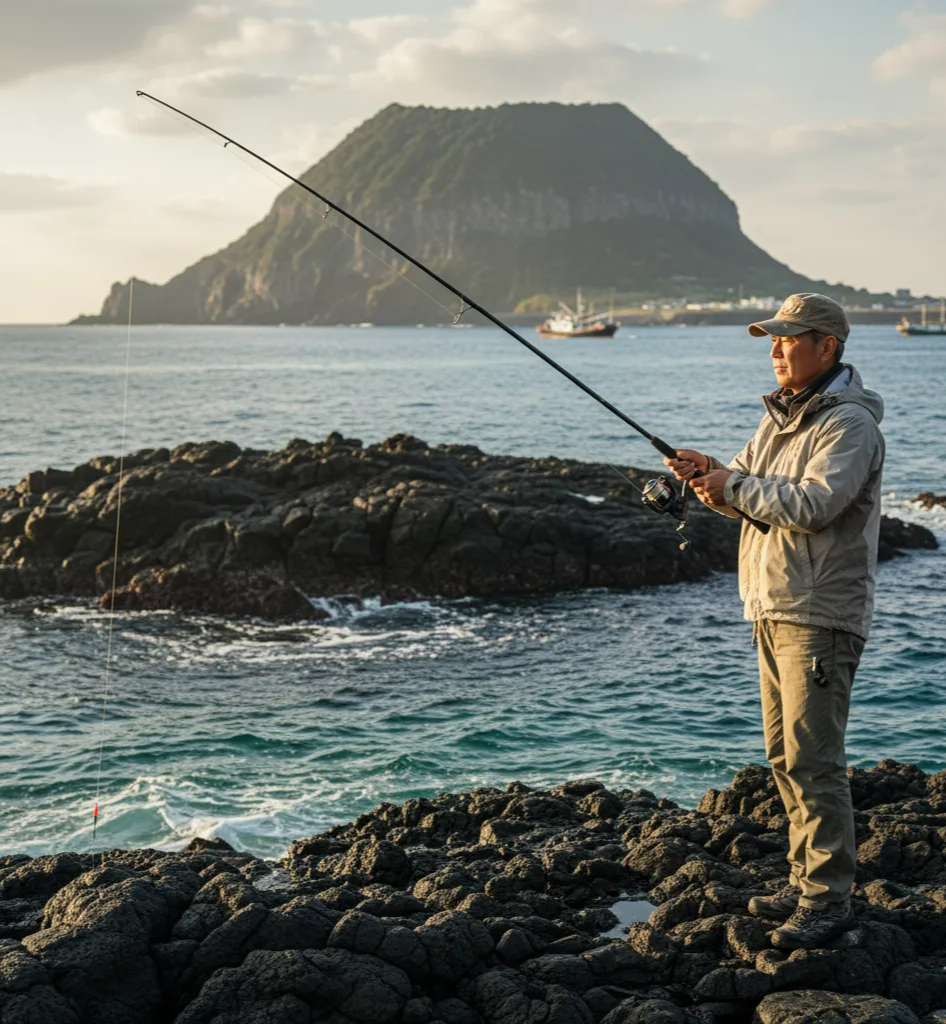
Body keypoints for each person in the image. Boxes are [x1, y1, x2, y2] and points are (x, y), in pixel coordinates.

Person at [665, 292, 885, 950]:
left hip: (820, 613)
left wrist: (732, 486)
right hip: (772, 604)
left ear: (829, 347)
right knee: (786, 756)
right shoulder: (778, 419)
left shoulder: (848, 425)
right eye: (773, 338)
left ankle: (827, 897)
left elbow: (816, 503)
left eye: (791, 338)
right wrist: (711, 474)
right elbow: (750, 491)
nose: (776, 347)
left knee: (815, 761)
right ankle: (804, 880)